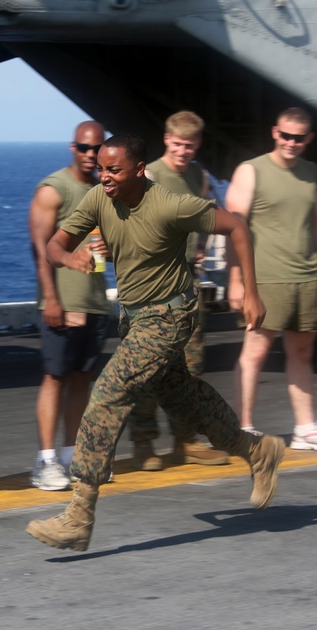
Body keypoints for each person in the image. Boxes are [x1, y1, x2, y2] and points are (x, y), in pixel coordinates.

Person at [25, 133, 285, 552]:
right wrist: (71, 258)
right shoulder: (99, 198)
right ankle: (256, 451)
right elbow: (54, 245)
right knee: (181, 398)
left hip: (170, 314)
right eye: (101, 168)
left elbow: (237, 226)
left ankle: (79, 515)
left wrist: (250, 292)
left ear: (139, 170)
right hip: (133, 318)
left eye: (114, 170)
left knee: (108, 394)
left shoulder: (171, 205)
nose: (104, 176)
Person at [225, 108, 317, 452]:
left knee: (302, 352)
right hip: (264, 279)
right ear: (274, 132)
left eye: (299, 138)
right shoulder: (251, 170)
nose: (291, 142)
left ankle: (305, 429)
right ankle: (244, 429)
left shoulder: (312, 173)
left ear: (309, 139)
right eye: (285, 135)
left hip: (306, 278)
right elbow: (232, 227)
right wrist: (236, 280)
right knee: (255, 353)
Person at [128, 111, 230, 470]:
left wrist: (198, 244)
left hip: (186, 280)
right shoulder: (148, 175)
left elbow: (203, 211)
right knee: (149, 367)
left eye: (189, 145)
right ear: (166, 140)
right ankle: (143, 443)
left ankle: (185, 441)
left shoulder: (198, 175)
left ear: (197, 144)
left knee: (190, 365)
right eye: (177, 144)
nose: (183, 151)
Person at [27, 121, 112, 491]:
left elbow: (108, 247)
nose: (90, 155)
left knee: (81, 380)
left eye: (96, 149)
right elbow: (40, 249)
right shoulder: (53, 189)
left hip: (94, 300)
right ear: (73, 147)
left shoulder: (103, 191)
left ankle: (71, 455)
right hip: (62, 301)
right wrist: (51, 299)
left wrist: (111, 248)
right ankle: (45, 461)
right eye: (84, 148)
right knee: (55, 377)